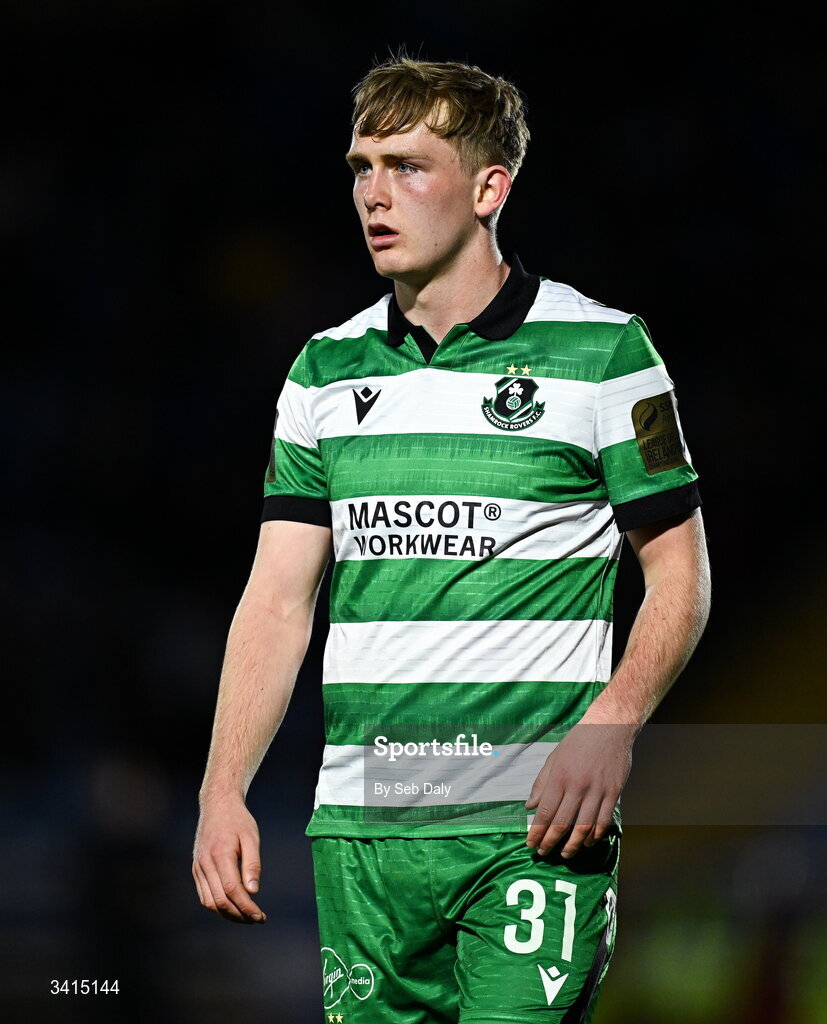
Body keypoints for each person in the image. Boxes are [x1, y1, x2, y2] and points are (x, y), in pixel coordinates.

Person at [192, 56, 711, 1023]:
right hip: (364, 834)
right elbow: (275, 600)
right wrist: (223, 790)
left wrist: (611, 724)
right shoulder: (322, 370)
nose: (373, 194)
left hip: (532, 828)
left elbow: (678, 571)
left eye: (407, 165)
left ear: (488, 187)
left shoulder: (605, 354)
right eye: (360, 166)